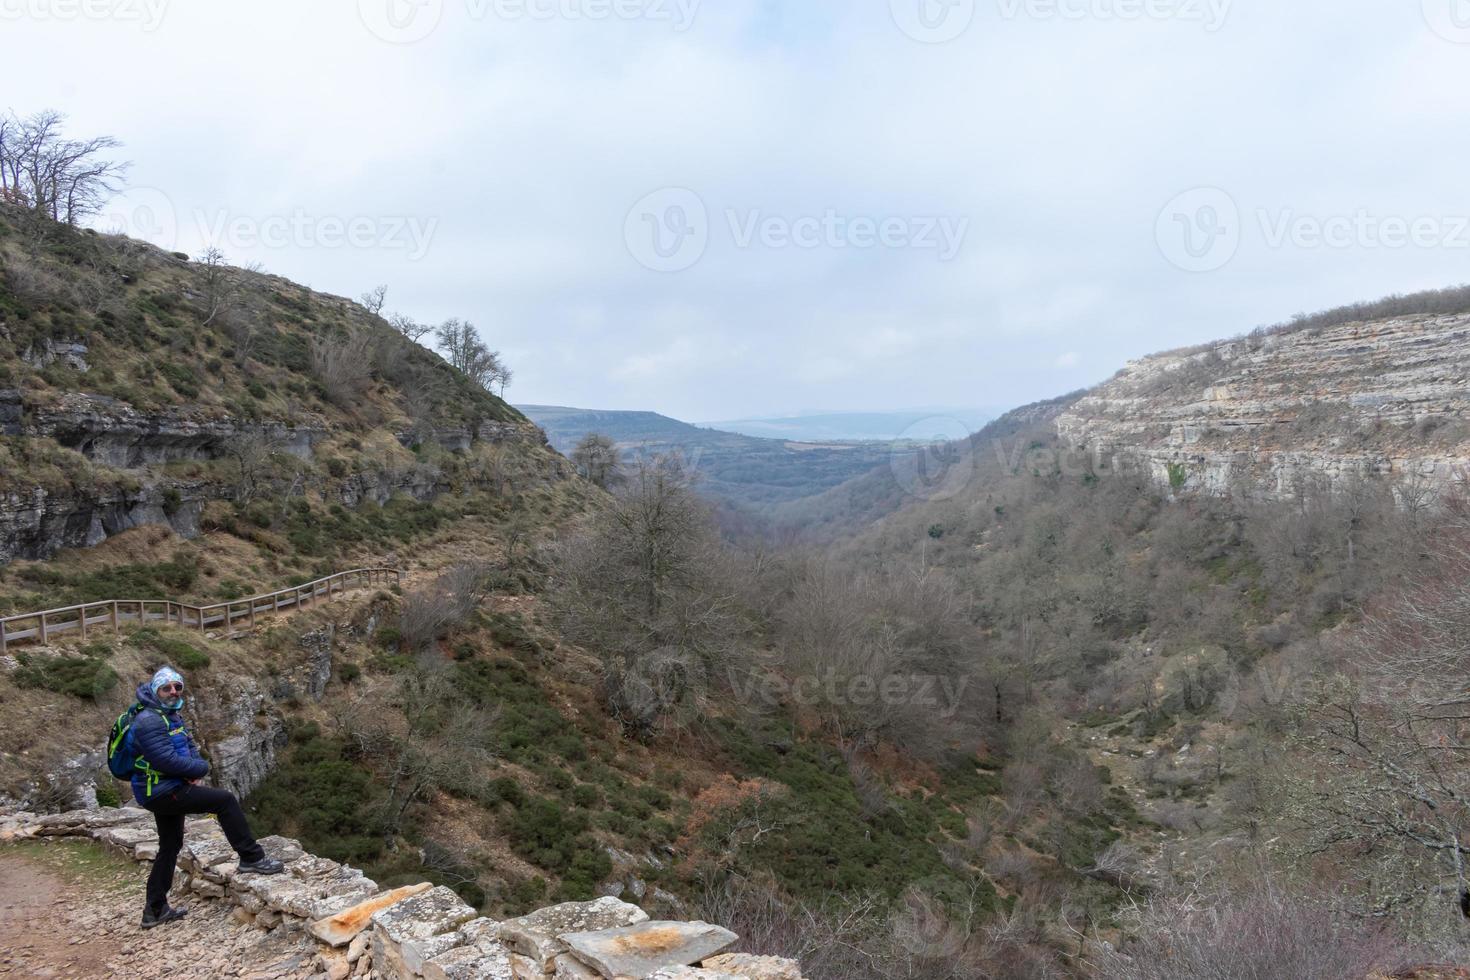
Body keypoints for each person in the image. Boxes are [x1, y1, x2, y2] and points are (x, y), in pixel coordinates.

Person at [129, 666, 285, 929]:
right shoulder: (149, 720)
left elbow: (188, 745)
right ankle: (251, 858)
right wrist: (199, 769)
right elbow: (164, 759)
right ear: (156, 690)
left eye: (177, 687)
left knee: (170, 846)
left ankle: (154, 910)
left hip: (166, 787)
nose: (173, 691)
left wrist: (192, 767)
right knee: (223, 800)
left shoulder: (170, 714)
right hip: (161, 791)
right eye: (166, 687)